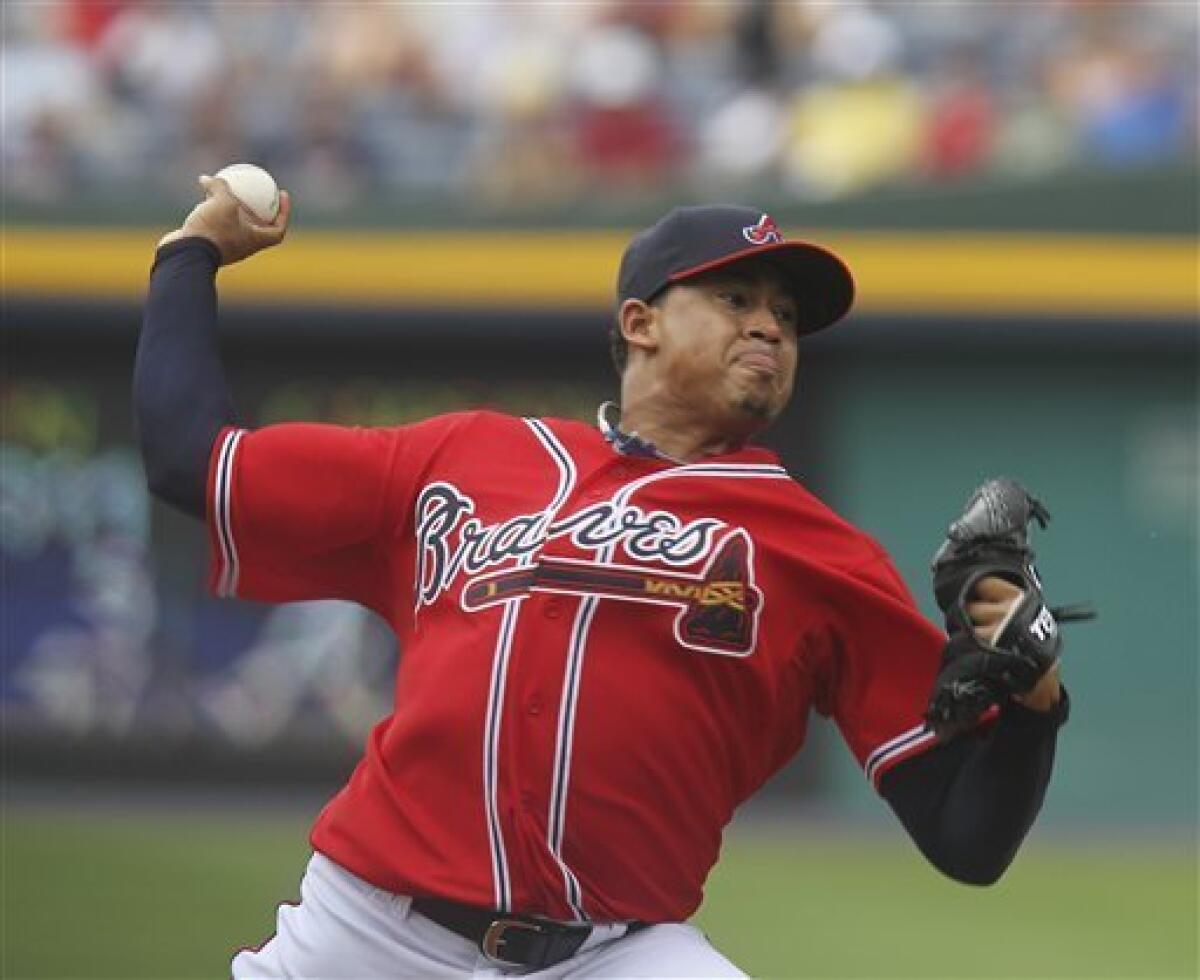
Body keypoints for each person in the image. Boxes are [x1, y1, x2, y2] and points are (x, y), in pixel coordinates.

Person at [136, 180, 1070, 978]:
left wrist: (1036, 703)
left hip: (612, 954)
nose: (770, 327)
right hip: (371, 932)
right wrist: (189, 255)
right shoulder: (462, 457)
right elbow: (194, 460)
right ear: (641, 321)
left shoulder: (820, 553)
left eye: (787, 317)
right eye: (736, 297)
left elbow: (966, 840)